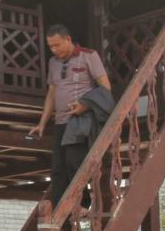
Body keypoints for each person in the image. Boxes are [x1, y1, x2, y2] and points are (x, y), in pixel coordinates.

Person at [30, 24, 114, 207]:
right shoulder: (53, 63)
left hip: (79, 120)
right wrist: (42, 123)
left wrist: (84, 105)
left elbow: (105, 87)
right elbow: (51, 93)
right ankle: (62, 213)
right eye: (50, 46)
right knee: (57, 169)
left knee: (73, 162)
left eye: (57, 45)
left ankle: (82, 204)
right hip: (60, 121)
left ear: (68, 40)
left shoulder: (88, 56)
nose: (54, 49)